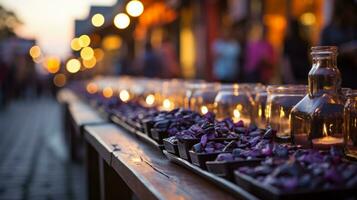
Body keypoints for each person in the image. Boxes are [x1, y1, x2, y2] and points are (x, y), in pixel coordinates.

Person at [321, 0, 357, 88]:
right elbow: (322, 55)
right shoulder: (329, 30)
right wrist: (343, 51)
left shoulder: (353, 27)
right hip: (336, 79)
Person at [282, 19, 310, 84]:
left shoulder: (288, 41)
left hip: (293, 72)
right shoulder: (305, 41)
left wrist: (287, 75)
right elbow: (308, 58)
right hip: (304, 72)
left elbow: (286, 59)